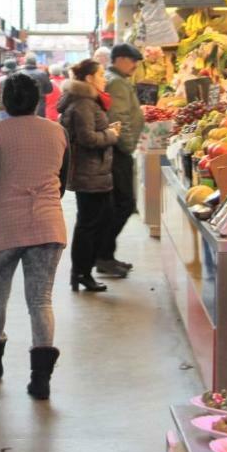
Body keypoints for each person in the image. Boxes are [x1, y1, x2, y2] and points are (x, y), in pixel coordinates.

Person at [0, 73, 70, 400]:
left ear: (5, 101)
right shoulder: (59, 132)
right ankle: (41, 379)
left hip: (3, 226)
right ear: (38, 100)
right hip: (48, 226)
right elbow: (63, 183)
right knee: (41, 301)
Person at [58, 59, 120, 294]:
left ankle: (83, 272)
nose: (105, 78)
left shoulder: (85, 101)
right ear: (89, 78)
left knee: (95, 221)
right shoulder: (84, 103)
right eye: (101, 74)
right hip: (89, 172)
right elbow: (87, 138)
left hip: (93, 172)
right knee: (90, 224)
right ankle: (82, 273)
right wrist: (111, 134)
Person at [103, 44, 145, 277]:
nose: (135, 64)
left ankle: (106, 255)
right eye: (132, 60)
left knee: (118, 204)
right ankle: (103, 255)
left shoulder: (116, 79)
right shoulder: (117, 82)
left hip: (117, 149)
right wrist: (127, 145)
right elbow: (118, 118)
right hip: (119, 151)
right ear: (119, 59)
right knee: (124, 203)